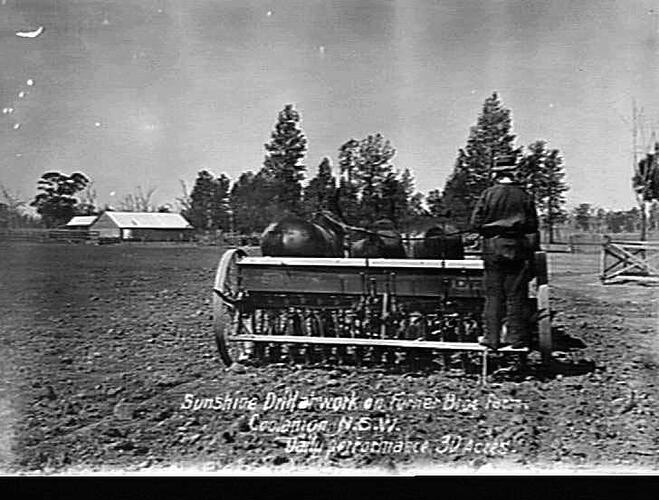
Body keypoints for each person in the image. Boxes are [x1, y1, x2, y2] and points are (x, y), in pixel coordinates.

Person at [470, 158, 539, 350]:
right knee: (516, 294)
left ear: (496, 174)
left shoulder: (488, 194)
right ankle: (515, 339)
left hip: (493, 247)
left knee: (493, 295)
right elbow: (533, 225)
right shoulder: (524, 195)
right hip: (517, 247)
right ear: (513, 173)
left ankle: (491, 339)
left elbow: (475, 223)